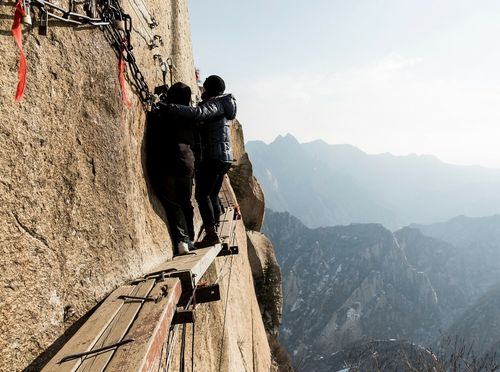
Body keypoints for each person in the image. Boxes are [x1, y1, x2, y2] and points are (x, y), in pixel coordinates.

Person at [163, 75, 237, 248]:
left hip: (214, 156)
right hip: (224, 158)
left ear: (209, 89)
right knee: (211, 195)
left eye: (205, 88)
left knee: (202, 195)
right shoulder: (225, 105)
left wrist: (170, 107)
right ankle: (215, 230)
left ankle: (211, 234)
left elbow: (199, 113)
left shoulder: (216, 103)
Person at [150, 82, 197, 255]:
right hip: (187, 164)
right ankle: (190, 238)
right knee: (186, 203)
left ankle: (182, 240)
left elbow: (154, 127)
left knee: (173, 203)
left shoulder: (163, 113)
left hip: (168, 163)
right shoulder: (189, 117)